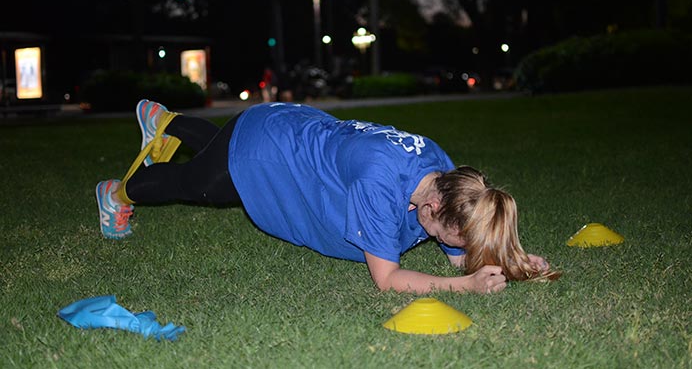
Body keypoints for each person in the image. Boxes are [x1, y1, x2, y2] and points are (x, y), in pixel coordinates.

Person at [96, 100, 556, 295]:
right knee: (201, 186)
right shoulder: (382, 186)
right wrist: (464, 287)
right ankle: (117, 193)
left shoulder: (449, 178)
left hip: (294, 127)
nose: (456, 248)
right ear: (432, 209)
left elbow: (459, 251)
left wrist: (514, 261)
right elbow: (388, 278)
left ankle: (168, 120)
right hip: (269, 147)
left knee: (215, 159)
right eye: (454, 236)